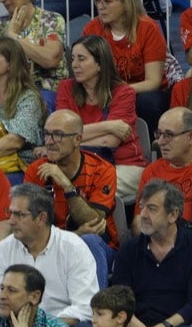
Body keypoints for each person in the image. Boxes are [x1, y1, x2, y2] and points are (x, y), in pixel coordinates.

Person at [0, 184, 100, 327]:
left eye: (19, 215)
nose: (11, 221)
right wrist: (10, 324)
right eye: (10, 213)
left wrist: (39, 326)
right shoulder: (3, 249)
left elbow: (85, 305)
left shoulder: (73, 247)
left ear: (41, 218)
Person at [112, 179, 192, 327]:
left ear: (173, 215)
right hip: (135, 326)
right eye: (142, 207)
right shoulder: (129, 249)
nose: (142, 214)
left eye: (151, 209)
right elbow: (119, 296)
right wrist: (132, 323)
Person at [27, 109, 121, 275]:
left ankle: (94, 302)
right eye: (47, 134)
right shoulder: (36, 170)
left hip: (100, 248)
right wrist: (75, 235)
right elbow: (31, 228)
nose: (49, 141)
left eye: (58, 135)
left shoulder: (102, 169)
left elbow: (93, 221)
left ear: (77, 139)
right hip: (51, 247)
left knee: (89, 241)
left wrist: (66, 185)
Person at [57, 36, 146, 204]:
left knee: (84, 187)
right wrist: (108, 125)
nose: (74, 64)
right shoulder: (66, 88)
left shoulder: (123, 92)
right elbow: (59, 133)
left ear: (99, 64)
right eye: (73, 58)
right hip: (78, 165)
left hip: (123, 165)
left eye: (81, 59)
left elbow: (109, 142)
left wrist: (69, 140)